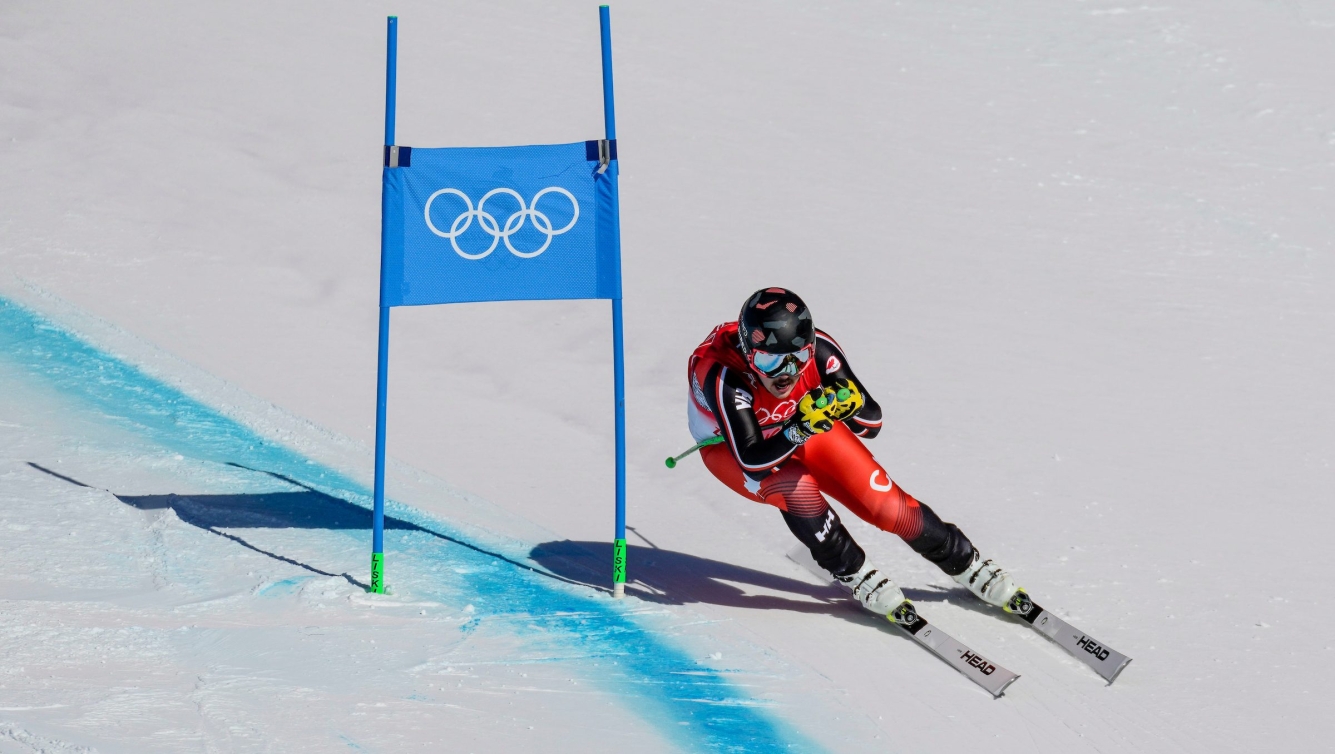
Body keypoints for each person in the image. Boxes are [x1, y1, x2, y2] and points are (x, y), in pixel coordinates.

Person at [686, 287, 1023, 618]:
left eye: (798, 356)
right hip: (732, 447)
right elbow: (752, 461)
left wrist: (849, 404)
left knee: (888, 506)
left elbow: (872, 423)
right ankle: (854, 571)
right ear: (748, 351)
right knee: (795, 487)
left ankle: (965, 561)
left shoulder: (821, 351)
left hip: (802, 424)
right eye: (770, 360)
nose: (786, 372)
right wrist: (800, 427)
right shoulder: (723, 375)